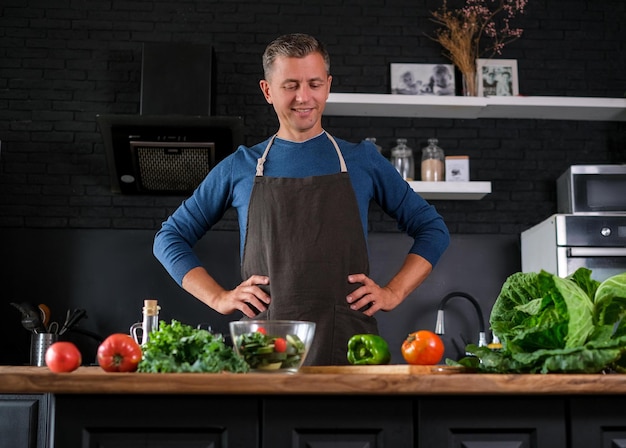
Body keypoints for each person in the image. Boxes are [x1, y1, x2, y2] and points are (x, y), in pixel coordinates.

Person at [153, 33, 450, 366]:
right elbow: (168, 238)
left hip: (350, 346)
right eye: (290, 85)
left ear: (328, 85)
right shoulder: (240, 167)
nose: (303, 97)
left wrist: (393, 293)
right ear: (267, 90)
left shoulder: (362, 160)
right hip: (264, 349)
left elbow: (433, 229)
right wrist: (220, 298)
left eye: (314, 83)